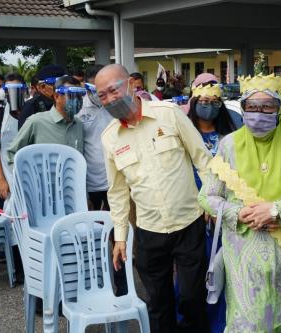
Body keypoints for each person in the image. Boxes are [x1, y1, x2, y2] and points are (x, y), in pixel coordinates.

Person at [198, 73, 281, 332]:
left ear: (280, 108)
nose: (258, 113)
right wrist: (239, 213)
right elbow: (207, 197)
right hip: (244, 267)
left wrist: (276, 211)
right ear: (243, 108)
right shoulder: (229, 145)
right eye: (252, 107)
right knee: (249, 325)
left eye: (267, 107)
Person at [97, 64, 212, 333]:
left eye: (113, 90)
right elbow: (117, 191)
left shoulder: (168, 114)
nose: (110, 99)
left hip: (189, 224)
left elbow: (202, 160)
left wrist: (210, 199)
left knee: (193, 299)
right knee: (158, 305)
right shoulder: (110, 138)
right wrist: (121, 237)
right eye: (101, 95)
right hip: (149, 232)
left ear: (130, 85)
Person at [187, 82, 237, 333]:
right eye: (203, 102)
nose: (208, 107)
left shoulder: (231, 136)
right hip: (191, 211)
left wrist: (219, 205)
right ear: (194, 103)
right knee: (194, 272)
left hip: (222, 211)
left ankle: (220, 323)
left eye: (214, 102)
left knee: (219, 269)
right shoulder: (186, 133)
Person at [7, 75, 84, 164]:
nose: (77, 100)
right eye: (71, 95)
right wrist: (24, 176)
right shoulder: (36, 122)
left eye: (80, 96)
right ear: (56, 96)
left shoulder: (79, 125)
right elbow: (12, 154)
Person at [76, 65, 113, 211]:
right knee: (95, 223)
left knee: (117, 223)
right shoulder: (79, 108)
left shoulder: (115, 104)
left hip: (116, 179)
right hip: (91, 181)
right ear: (86, 86)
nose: (98, 93)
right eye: (94, 88)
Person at [0, 73, 27, 205]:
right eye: (9, 90)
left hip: (30, 169)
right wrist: (0, 179)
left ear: (24, 90)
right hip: (8, 172)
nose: (13, 93)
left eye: (17, 89)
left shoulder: (33, 111)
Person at [17, 64, 65, 129]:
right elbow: (24, 136)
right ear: (42, 87)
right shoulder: (31, 106)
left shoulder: (65, 102)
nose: (62, 87)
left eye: (64, 84)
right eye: (57, 84)